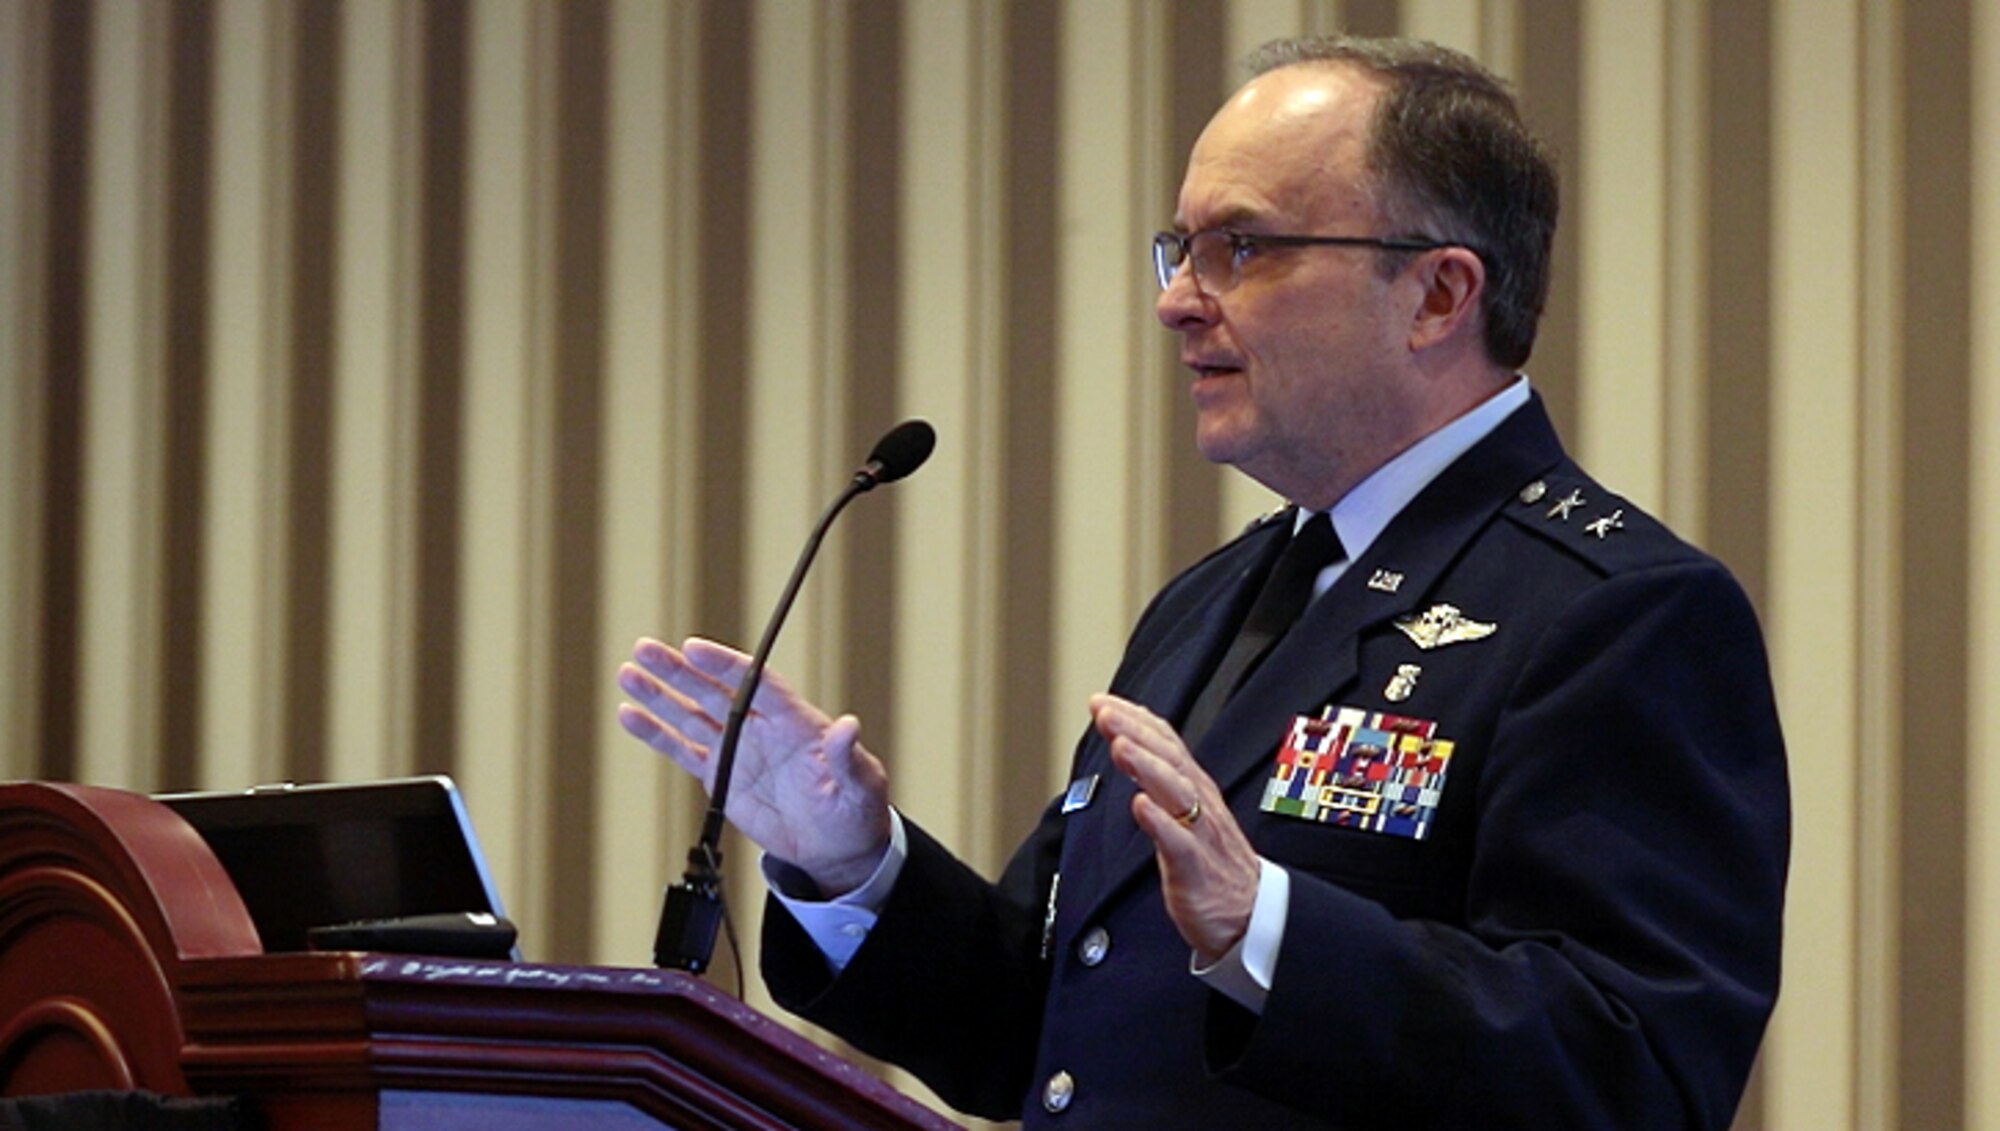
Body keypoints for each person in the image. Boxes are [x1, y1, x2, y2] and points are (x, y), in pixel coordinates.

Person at [617, 35, 1788, 1130]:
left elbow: (1636, 1070)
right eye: (1178, 249)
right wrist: (853, 862)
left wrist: (1266, 930)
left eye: (1244, 247)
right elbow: (1039, 1027)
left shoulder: (1615, 610)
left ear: (1437, 294)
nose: (1178, 298)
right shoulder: (1212, 598)